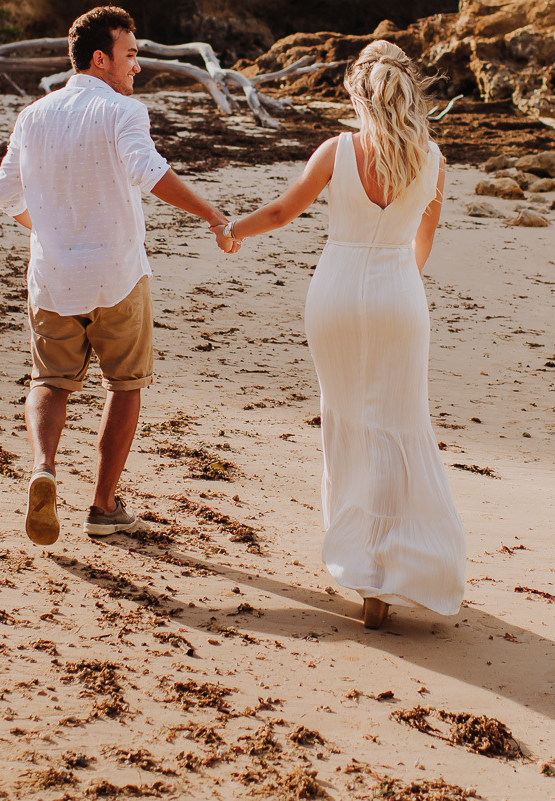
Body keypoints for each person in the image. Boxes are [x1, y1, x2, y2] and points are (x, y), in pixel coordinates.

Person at [215, 40, 466, 629]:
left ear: (358, 92)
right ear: (408, 93)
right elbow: (421, 243)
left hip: (333, 296)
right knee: (399, 427)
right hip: (398, 297)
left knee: (346, 422)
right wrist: (396, 285)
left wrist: (233, 230)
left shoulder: (337, 150)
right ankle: (393, 572)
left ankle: (362, 568)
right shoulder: (432, 159)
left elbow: (281, 212)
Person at [0, 6, 237, 546]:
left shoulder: (33, 115)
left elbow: (4, 194)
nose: (138, 68)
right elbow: (149, 172)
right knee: (125, 385)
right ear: (101, 58)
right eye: (130, 56)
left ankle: (44, 469)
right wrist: (214, 216)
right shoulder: (123, 112)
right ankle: (102, 506)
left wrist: (47, 229)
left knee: (49, 382)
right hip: (118, 276)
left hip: (52, 276)